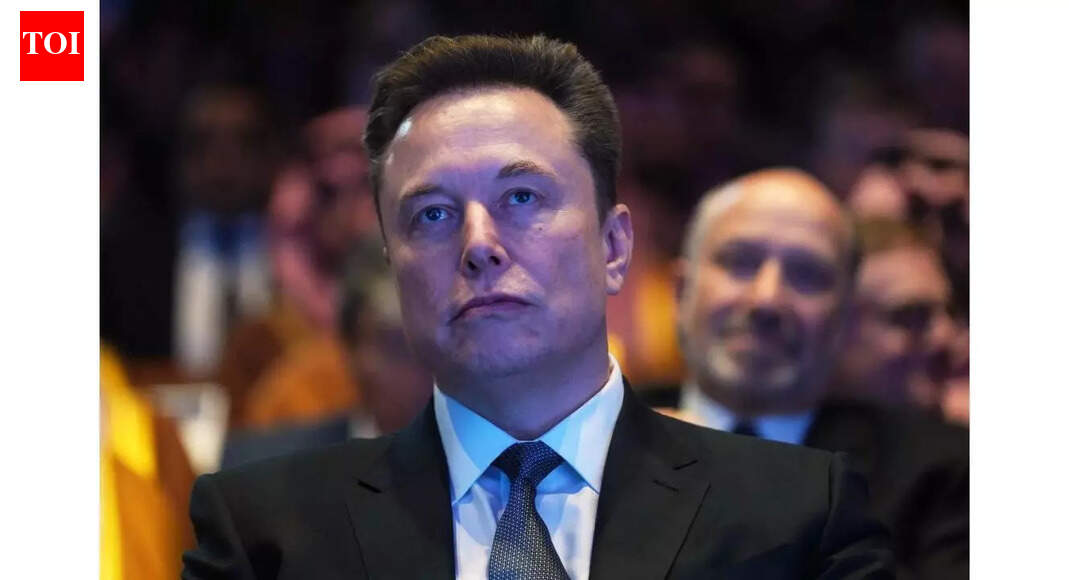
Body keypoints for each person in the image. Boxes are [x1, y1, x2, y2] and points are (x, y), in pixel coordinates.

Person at [183, 35, 893, 579]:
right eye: (432, 214)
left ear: (613, 246)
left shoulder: (796, 516)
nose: (478, 244)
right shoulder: (265, 532)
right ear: (394, 269)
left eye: (521, 197)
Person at [646, 168, 967, 579]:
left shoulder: (935, 472)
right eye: (740, 262)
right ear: (681, 292)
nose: (767, 300)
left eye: (807, 275)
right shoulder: (598, 430)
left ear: (845, 319)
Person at [219, 240, 433, 468]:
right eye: (398, 346)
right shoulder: (258, 471)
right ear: (351, 349)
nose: (428, 368)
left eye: (438, 344)